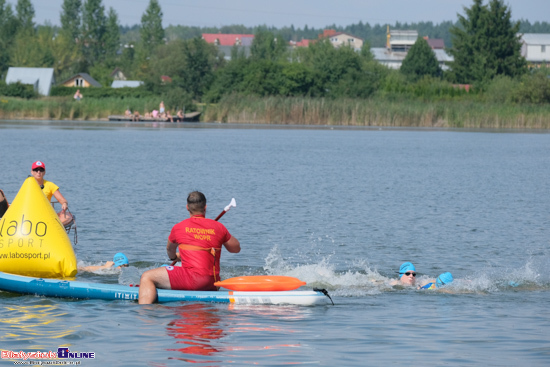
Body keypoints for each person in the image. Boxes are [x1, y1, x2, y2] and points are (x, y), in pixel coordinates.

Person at [138, 191, 241, 304]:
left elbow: (170, 250)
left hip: (192, 281)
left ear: (187, 207)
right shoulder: (219, 227)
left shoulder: (178, 227)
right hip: (213, 284)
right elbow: (236, 249)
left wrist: (173, 258)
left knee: (147, 276)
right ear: (205, 207)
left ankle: (145, 313)